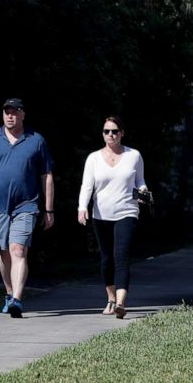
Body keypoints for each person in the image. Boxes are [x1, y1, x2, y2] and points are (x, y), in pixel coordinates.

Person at [0, 98, 55, 318]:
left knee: (18, 249)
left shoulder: (36, 141)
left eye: (15, 112)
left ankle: (17, 299)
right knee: (5, 252)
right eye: (7, 112)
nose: (10, 116)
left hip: (27, 205)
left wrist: (49, 209)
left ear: (23, 115)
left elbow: (47, 176)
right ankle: (8, 293)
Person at [77, 116, 148, 319]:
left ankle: (121, 303)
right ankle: (110, 298)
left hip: (126, 211)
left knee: (121, 256)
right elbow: (87, 185)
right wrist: (82, 207)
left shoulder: (134, 155)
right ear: (103, 134)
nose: (111, 135)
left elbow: (140, 181)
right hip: (101, 214)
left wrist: (143, 193)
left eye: (115, 131)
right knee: (107, 259)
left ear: (122, 133)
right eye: (107, 131)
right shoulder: (93, 158)